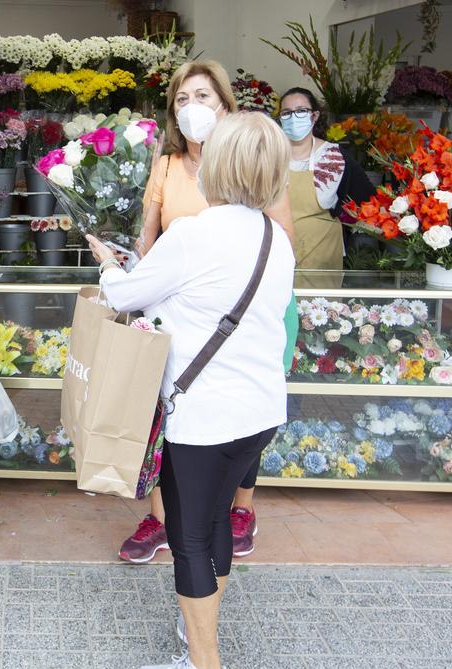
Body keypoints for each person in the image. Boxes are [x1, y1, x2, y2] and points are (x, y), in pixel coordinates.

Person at [88, 112, 294, 669]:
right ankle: (196, 633)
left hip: (203, 418)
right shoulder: (275, 237)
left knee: (188, 540)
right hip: (258, 412)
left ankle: (204, 666)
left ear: (218, 165)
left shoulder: (194, 234)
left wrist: (108, 263)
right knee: (215, 526)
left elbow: (126, 294)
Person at [120, 60, 294, 564]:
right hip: (176, 314)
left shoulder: (257, 163)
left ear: (225, 105)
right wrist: (138, 276)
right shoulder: (168, 165)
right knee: (171, 410)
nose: (192, 108)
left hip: (243, 314)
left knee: (238, 404)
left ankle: (238, 508)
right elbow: (148, 239)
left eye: (203, 96)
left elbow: (282, 243)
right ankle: (162, 514)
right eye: (182, 99)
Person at [277, 87, 376, 271]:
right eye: (287, 113)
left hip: (323, 252)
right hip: (277, 251)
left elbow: (368, 198)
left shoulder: (334, 156)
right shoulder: (269, 155)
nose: (293, 117)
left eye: (300, 111)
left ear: (314, 116)